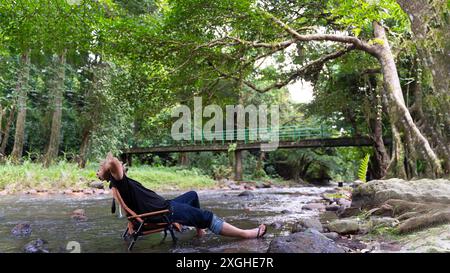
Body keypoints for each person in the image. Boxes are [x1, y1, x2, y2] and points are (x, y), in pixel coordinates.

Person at [96, 153, 267, 239]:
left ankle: (199, 229)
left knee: (192, 195)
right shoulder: (119, 182)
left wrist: (131, 221)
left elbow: (111, 160)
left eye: (98, 169)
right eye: (99, 169)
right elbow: (112, 161)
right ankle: (246, 234)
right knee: (207, 216)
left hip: (164, 206)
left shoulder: (120, 183)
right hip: (164, 212)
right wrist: (104, 170)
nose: (97, 171)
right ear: (112, 174)